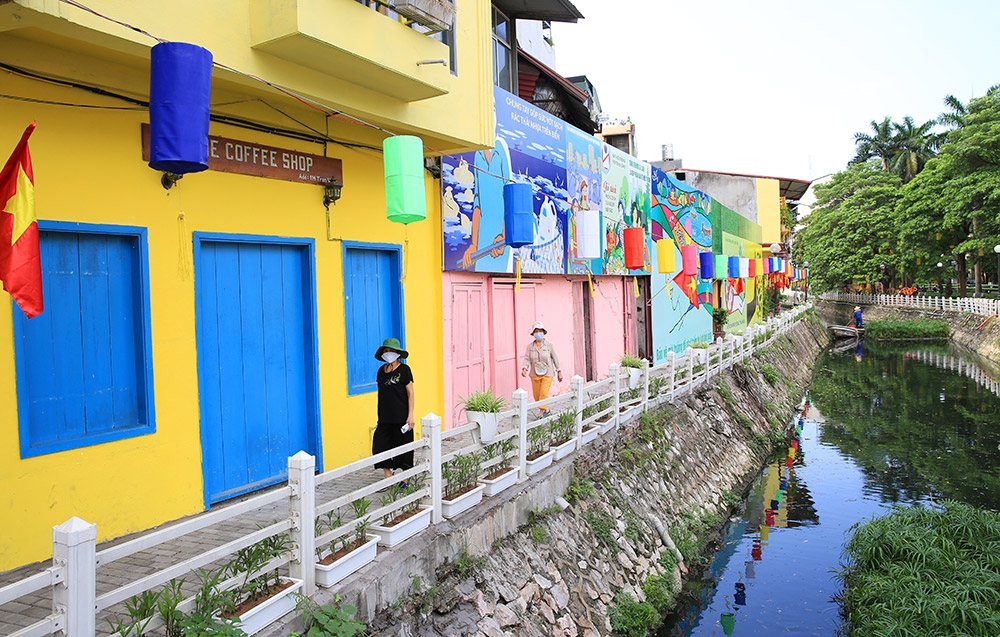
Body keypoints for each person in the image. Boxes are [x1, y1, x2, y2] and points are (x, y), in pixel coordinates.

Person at [373, 338, 414, 480]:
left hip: (401, 417)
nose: (388, 353)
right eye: (386, 351)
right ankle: (388, 476)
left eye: (391, 351)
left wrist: (410, 416)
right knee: (380, 446)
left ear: (398, 353)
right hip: (384, 417)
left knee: (403, 448)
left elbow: (410, 394)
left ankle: (404, 478)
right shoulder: (381, 371)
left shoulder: (404, 370)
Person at [520, 321, 563, 417]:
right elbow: (527, 358)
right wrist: (524, 368)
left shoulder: (549, 345)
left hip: (548, 373)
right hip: (535, 373)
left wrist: (559, 371)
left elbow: (555, 358)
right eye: (536, 331)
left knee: (543, 393)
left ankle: (541, 412)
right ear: (533, 334)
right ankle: (546, 409)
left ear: (543, 333)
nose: (538, 333)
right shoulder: (530, 347)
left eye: (540, 331)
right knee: (537, 395)